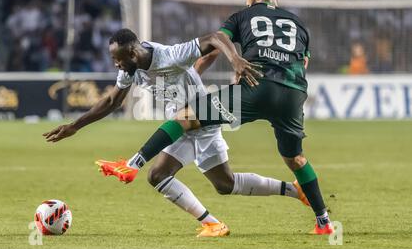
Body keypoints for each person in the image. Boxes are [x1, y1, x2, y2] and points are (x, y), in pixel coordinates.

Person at [96, 0, 334, 235]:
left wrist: (199, 71)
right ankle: (323, 222)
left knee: (186, 117)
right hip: (293, 93)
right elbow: (303, 64)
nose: (246, 0)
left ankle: (133, 164)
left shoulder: (242, 16)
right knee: (296, 159)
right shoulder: (298, 23)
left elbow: (213, 46)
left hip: (255, 87)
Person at [43, 28, 310, 237]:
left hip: (202, 121)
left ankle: (229, 218)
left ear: (133, 55)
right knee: (206, 182)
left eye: (118, 60)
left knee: (215, 183)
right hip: (179, 125)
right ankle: (278, 197)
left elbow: (215, 38)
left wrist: (235, 59)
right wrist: (74, 127)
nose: (116, 65)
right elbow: (112, 102)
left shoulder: (170, 55)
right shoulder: (131, 69)